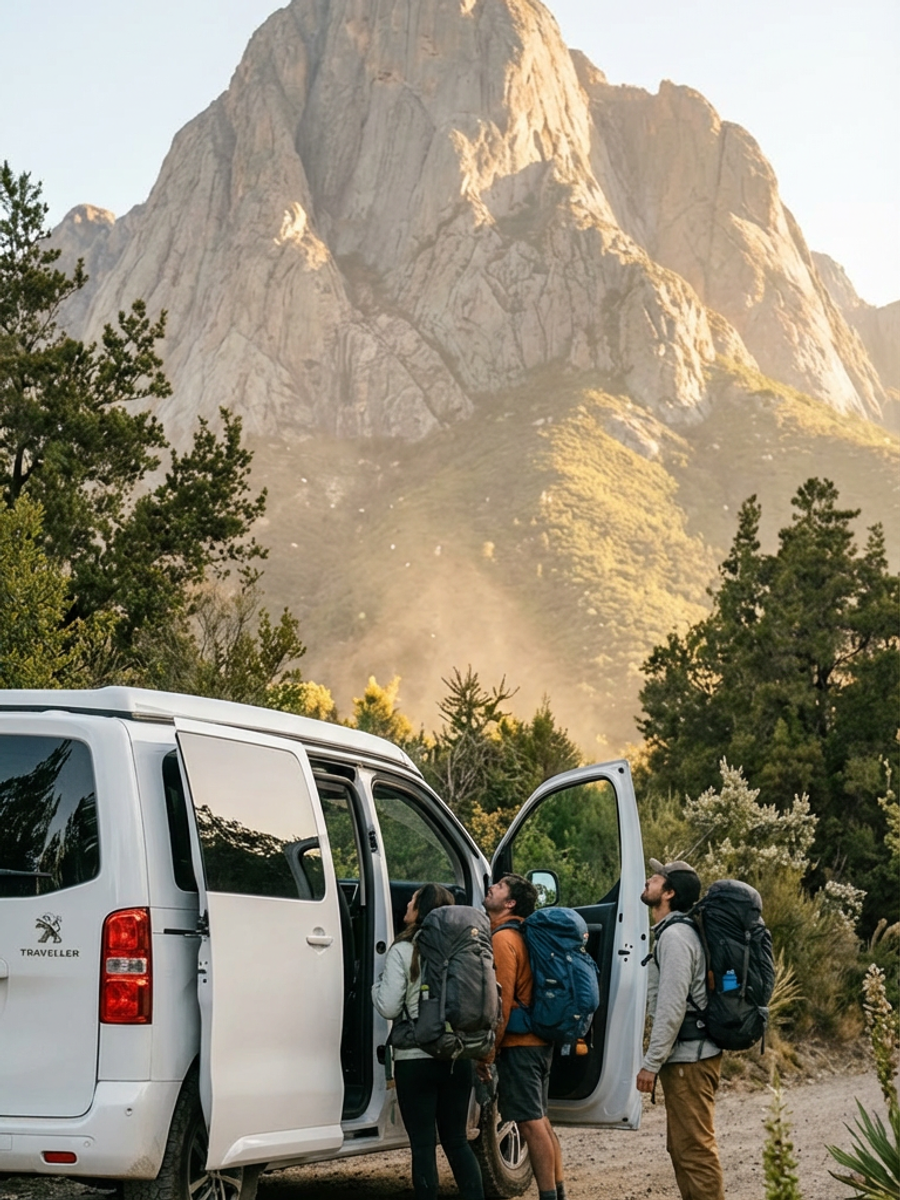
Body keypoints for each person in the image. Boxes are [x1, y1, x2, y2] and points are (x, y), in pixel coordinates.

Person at [371, 883, 485, 1200]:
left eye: (411, 901)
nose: (406, 905)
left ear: (420, 910)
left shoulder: (404, 950)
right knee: (457, 1141)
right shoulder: (463, 951)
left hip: (414, 1060)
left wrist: (373, 988)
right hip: (457, 1057)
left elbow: (390, 1006)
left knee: (423, 1146)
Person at [636, 858, 725, 1200]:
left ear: (669, 893)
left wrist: (651, 1062)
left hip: (690, 1060)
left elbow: (671, 1008)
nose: (648, 881)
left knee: (695, 1152)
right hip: (689, 1057)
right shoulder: (674, 933)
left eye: (655, 879)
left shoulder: (675, 937)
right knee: (683, 1150)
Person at [477, 874, 567, 1200]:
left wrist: (486, 1054)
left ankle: (549, 1196)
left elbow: (501, 1004)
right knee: (540, 1120)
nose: (491, 888)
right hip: (537, 1043)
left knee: (531, 1124)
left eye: (499, 887)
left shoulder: (504, 940)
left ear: (510, 903)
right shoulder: (521, 936)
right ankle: (557, 1192)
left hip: (521, 1046)